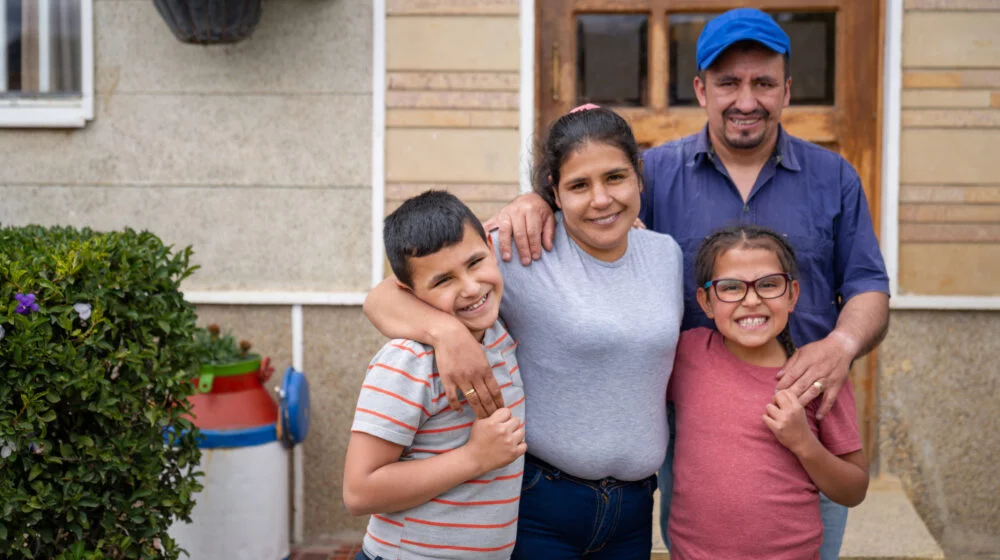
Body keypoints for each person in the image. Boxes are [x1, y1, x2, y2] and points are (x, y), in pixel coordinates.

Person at [485, 8, 890, 558]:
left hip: (803, 418)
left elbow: (868, 283)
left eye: (763, 83)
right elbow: (596, 210)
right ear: (701, 89)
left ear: (787, 90)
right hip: (692, 431)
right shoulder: (655, 173)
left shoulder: (834, 175)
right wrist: (535, 199)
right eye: (728, 83)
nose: (746, 100)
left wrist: (840, 347)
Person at [364, 106, 684, 558]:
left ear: (638, 177)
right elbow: (382, 297)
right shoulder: (520, 249)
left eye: (615, 178)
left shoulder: (666, 255)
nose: (600, 199)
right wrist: (445, 333)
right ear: (553, 190)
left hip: (634, 510)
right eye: (578, 185)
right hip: (542, 501)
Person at [343, 191, 527, 560]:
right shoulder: (408, 361)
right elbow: (359, 491)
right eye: (443, 281)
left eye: (475, 262)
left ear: (490, 248)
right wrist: (473, 457)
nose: (471, 287)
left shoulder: (499, 335)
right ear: (408, 293)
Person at [668, 224, 868, 559]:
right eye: (730, 288)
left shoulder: (816, 376)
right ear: (705, 301)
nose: (751, 300)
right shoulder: (686, 355)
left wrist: (804, 444)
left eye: (768, 285)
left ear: (792, 294)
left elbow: (854, 490)